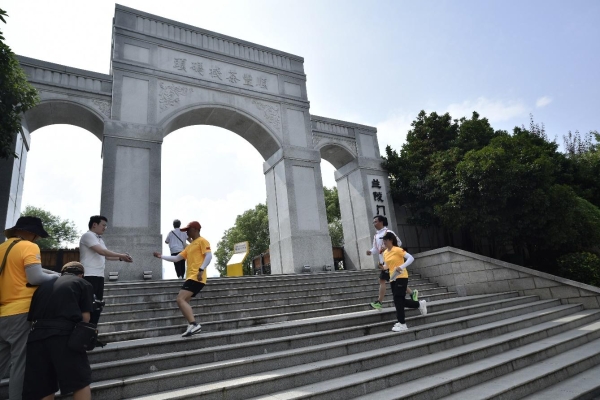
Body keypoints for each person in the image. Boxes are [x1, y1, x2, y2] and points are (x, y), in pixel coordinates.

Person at [0, 216, 59, 400]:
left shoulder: (2, 248)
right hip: (21, 313)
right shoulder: (29, 246)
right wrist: (58, 277)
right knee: (19, 364)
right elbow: (34, 278)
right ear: (32, 233)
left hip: (2, 313)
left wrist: (50, 272)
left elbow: (22, 271)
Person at [22, 262, 94, 400]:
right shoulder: (82, 283)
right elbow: (85, 317)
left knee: (43, 386)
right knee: (80, 381)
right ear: (81, 274)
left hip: (36, 337)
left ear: (61, 272)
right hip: (64, 336)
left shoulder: (42, 287)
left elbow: (31, 318)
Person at [153, 221, 211, 337]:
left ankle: (194, 324)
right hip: (190, 277)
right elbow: (177, 258)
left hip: (196, 277)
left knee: (180, 299)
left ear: (195, 229)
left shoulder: (202, 241)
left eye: (188, 230)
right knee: (185, 302)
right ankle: (191, 325)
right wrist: (161, 256)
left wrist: (201, 270)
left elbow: (209, 256)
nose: (186, 233)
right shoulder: (189, 247)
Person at [79, 215, 132, 325]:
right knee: (88, 306)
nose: (105, 228)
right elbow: (102, 252)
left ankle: (92, 335)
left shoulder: (99, 239)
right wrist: (121, 254)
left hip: (99, 276)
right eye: (103, 225)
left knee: (98, 306)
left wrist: (121, 258)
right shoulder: (88, 235)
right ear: (94, 224)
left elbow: (106, 256)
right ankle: (84, 336)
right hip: (89, 276)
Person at [366, 215, 417, 309]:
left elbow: (399, 243)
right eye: (373, 222)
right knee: (394, 280)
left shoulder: (388, 232)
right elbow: (376, 249)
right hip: (384, 263)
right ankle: (412, 293)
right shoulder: (376, 236)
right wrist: (371, 251)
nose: (374, 224)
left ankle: (379, 302)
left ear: (381, 222)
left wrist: (387, 247)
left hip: (391, 263)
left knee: (382, 280)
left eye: (375, 221)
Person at [382, 232, 427, 332]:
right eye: (383, 240)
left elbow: (411, 258)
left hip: (401, 276)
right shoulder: (385, 253)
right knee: (398, 300)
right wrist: (382, 267)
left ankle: (402, 323)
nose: (383, 242)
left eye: (385, 240)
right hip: (392, 278)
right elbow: (387, 266)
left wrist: (401, 267)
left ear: (391, 240)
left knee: (398, 299)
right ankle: (419, 305)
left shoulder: (397, 250)